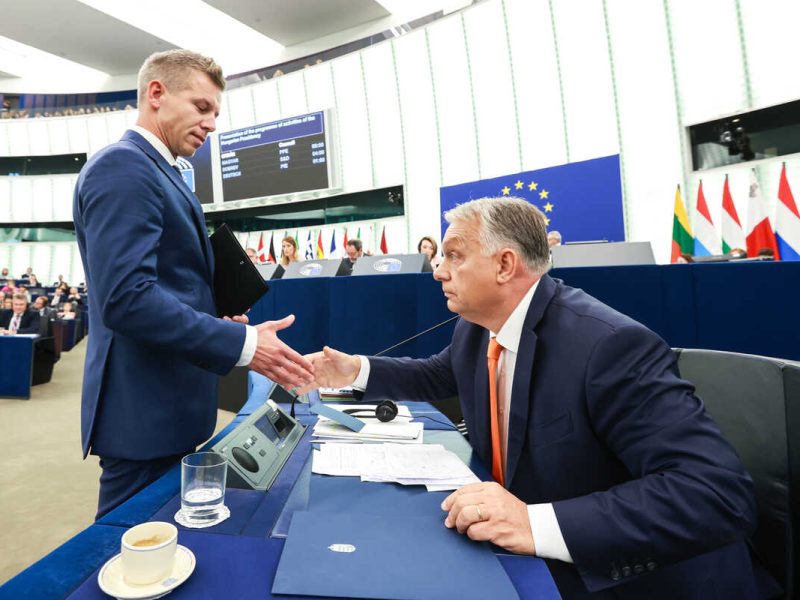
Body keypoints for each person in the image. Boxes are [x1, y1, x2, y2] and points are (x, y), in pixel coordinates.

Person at [300, 197, 772, 598]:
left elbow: (715, 494)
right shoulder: (476, 329)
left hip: (631, 578)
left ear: (505, 265)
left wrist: (531, 522)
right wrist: (354, 369)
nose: (438, 270)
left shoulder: (608, 346)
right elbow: (438, 374)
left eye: (454, 256)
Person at [73, 49, 314, 519]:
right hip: (144, 414)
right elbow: (126, 299)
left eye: (216, 113)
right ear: (156, 94)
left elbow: (166, 285)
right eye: (202, 107)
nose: (211, 124)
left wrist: (217, 319)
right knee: (127, 545)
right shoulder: (124, 167)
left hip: (169, 407)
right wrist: (245, 345)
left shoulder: (160, 171)